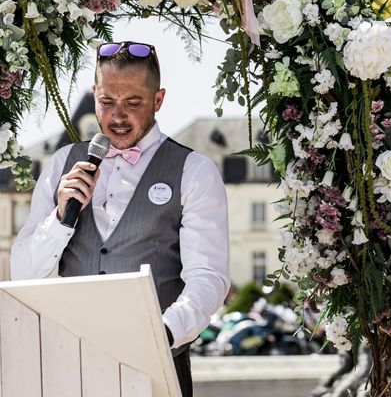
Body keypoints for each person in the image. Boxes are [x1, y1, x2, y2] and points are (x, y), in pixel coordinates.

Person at [10, 41, 230, 396]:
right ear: (95, 94)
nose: (117, 116)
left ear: (158, 100)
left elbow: (208, 278)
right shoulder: (62, 163)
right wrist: (60, 219)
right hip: (71, 367)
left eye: (133, 103)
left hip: (157, 367)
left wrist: (162, 334)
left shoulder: (194, 171)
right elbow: (22, 273)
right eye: (107, 102)